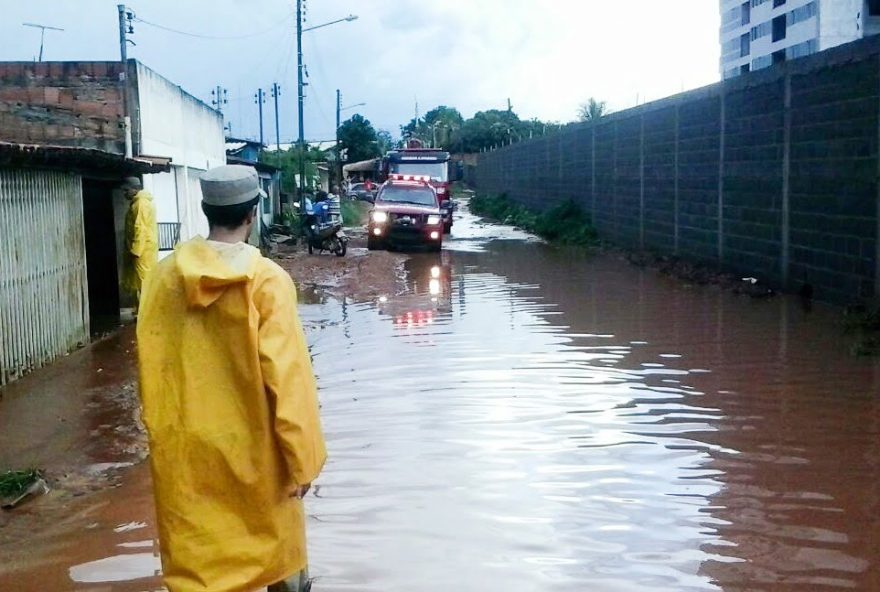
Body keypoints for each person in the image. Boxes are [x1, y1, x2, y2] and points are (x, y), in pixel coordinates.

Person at [136, 165, 327, 592]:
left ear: (205, 210)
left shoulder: (163, 279)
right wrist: (303, 459)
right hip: (256, 454)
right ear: (252, 214)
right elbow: (288, 378)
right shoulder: (266, 281)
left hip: (188, 453)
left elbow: (152, 365)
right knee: (278, 562)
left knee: (199, 565)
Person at [122, 176, 158, 311]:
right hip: (145, 250)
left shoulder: (140, 204)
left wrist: (136, 250)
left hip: (142, 251)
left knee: (143, 282)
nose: (124, 193)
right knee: (140, 282)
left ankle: (146, 313)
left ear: (134, 189)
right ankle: (142, 312)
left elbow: (140, 228)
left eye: (126, 190)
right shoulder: (141, 202)